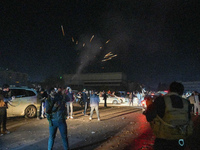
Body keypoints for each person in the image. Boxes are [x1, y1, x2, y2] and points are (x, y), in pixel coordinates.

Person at [145, 81, 192, 150]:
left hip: (163, 141)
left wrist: (149, 106)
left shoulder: (161, 100)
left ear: (169, 90)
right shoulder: (186, 103)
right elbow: (188, 120)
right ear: (181, 92)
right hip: (180, 141)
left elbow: (149, 117)